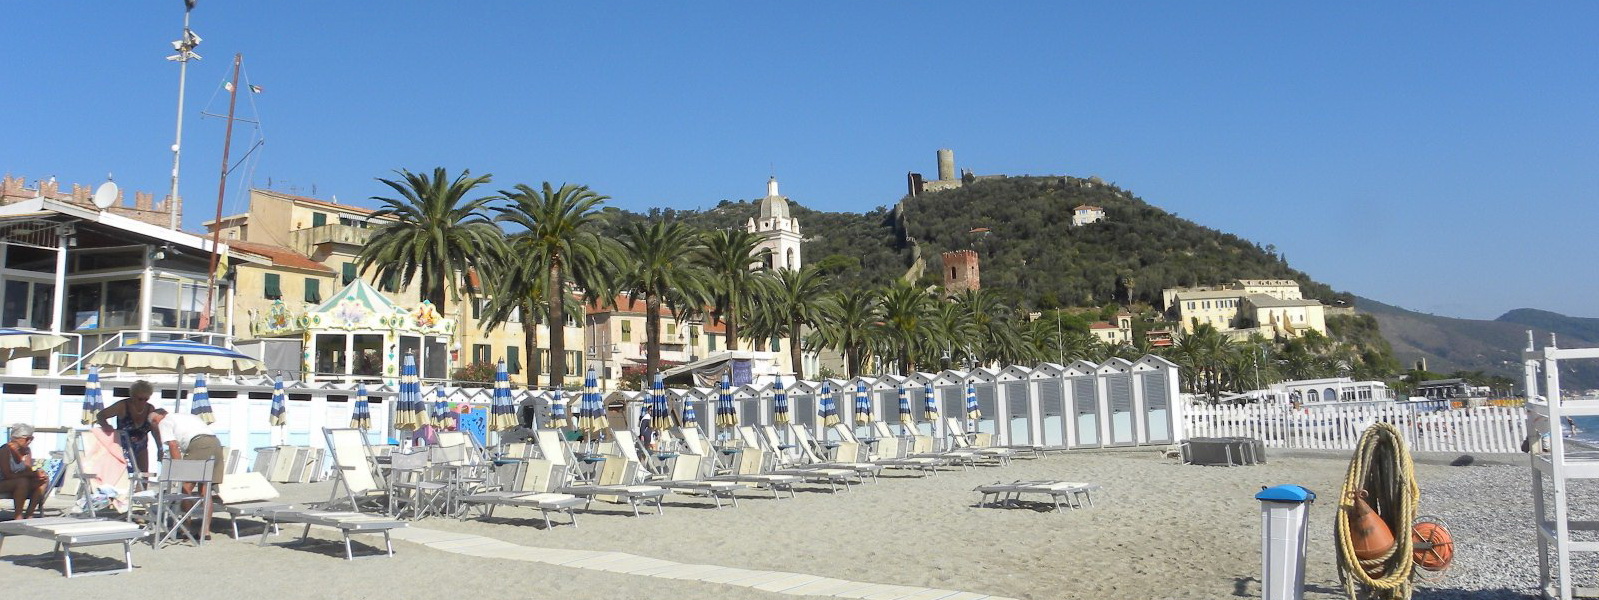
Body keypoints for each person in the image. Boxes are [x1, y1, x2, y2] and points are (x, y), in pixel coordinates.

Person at [150, 408, 225, 538]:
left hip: (199, 444)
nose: (156, 427)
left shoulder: (164, 422)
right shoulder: (186, 416)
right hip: (215, 443)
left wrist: (178, 469)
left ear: (157, 418)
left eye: (154, 423)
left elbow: (172, 445)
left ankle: (185, 528)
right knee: (205, 490)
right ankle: (205, 531)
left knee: (185, 487)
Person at [96, 380, 158, 473]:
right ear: (133, 396)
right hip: (122, 446)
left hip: (141, 446)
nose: (143, 402)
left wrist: (160, 447)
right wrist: (106, 426)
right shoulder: (122, 406)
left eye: (146, 399)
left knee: (144, 475)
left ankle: (143, 488)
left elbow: (154, 430)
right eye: (140, 399)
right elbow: (100, 415)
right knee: (121, 474)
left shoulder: (150, 408)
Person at [1, 424, 48, 520]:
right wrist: (32, 474)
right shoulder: (5, 450)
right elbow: (8, 475)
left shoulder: (27, 451)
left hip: (18, 482)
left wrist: (38, 474)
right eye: (27, 439)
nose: (30, 441)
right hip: (3, 482)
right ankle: (18, 515)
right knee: (22, 481)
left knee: (43, 480)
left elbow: (28, 470)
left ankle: (29, 514)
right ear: (16, 438)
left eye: (32, 438)